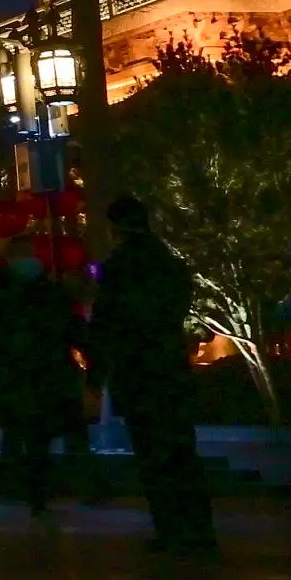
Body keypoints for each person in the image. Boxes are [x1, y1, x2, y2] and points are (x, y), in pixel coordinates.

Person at [88, 195, 218, 555]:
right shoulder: (170, 265)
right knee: (181, 452)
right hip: (170, 370)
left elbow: (105, 325)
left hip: (138, 372)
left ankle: (171, 530)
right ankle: (199, 530)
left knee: (152, 456)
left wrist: (95, 376)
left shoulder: (119, 269)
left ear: (114, 227)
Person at [0, 235, 85, 514]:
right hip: (42, 376)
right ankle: (36, 492)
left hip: (17, 377)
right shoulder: (48, 291)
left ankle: (20, 489)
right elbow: (73, 327)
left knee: (19, 434)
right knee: (33, 437)